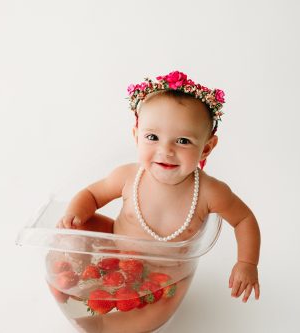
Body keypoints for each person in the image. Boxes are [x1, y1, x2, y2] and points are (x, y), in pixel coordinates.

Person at [58, 70, 261, 312]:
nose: (165, 150)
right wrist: (76, 212)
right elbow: (92, 195)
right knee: (75, 227)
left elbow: (244, 219)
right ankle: (72, 284)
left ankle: (106, 325)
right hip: (114, 255)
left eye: (183, 141)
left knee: (155, 311)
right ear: (136, 136)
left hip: (166, 278)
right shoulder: (128, 176)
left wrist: (246, 263)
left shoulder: (209, 192)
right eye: (152, 137)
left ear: (206, 148)